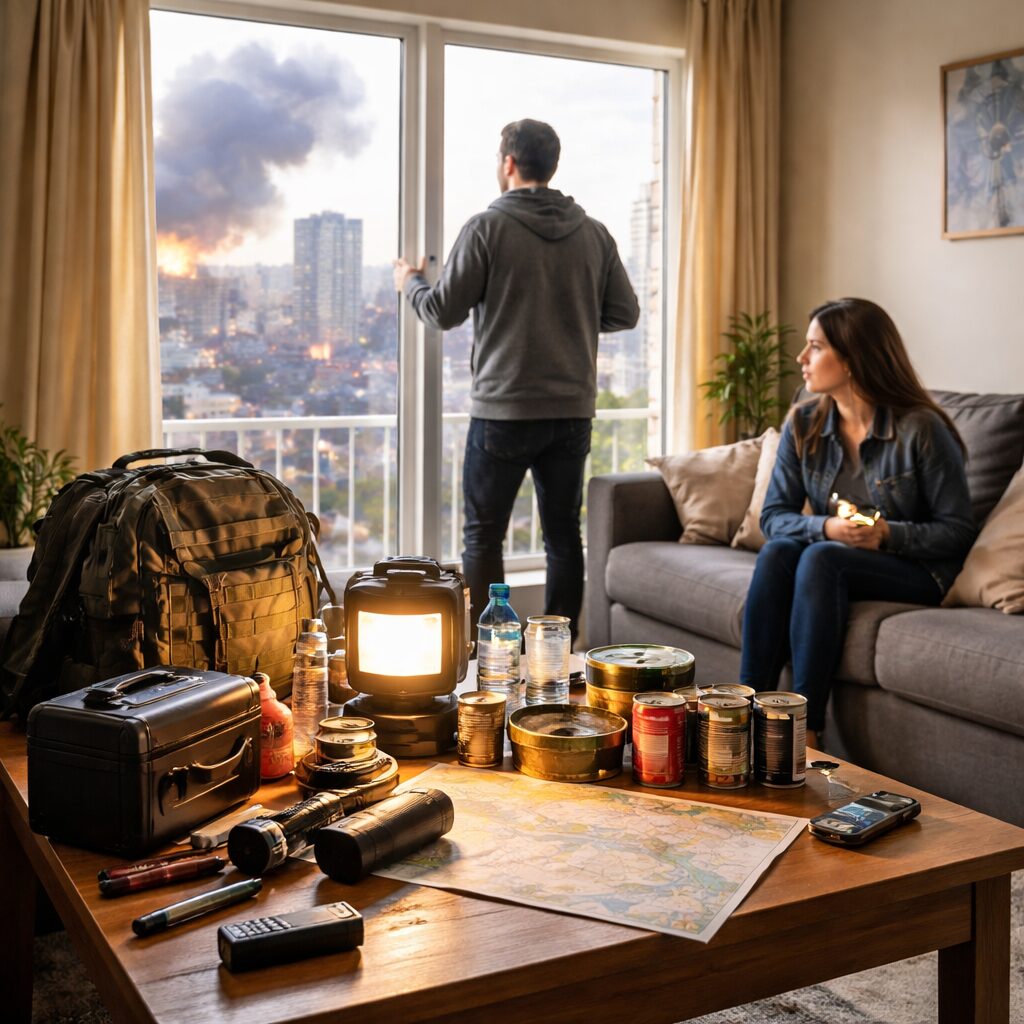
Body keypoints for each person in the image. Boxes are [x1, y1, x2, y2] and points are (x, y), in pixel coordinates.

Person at [393, 119, 639, 639]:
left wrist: (410, 281)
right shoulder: (593, 233)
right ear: (552, 165)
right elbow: (625, 313)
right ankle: (561, 655)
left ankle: (492, 655)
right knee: (564, 538)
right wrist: (565, 312)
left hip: (504, 412)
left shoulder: (487, 227)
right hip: (571, 412)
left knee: (483, 538)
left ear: (508, 163)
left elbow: (441, 312)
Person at [739, 298, 976, 750]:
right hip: (833, 555)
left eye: (815, 347)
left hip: (918, 570)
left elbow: (958, 532)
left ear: (850, 359)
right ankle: (745, 711)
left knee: (823, 559)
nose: (801, 358)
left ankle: (804, 730)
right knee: (781, 551)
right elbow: (773, 518)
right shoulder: (805, 423)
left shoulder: (921, 429)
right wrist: (827, 528)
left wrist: (887, 533)